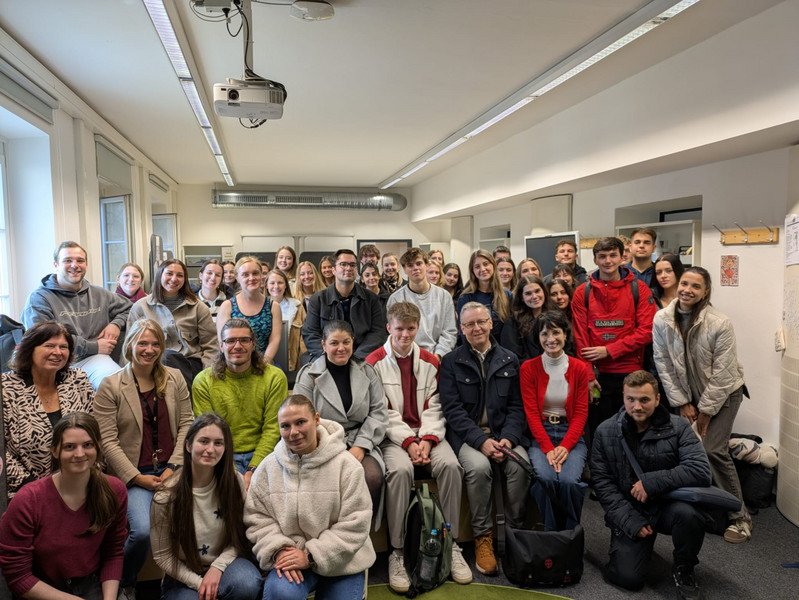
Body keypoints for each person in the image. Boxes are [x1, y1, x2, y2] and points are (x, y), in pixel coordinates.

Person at [366, 302, 472, 592]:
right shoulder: (373, 362)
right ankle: (397, 552)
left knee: (451, 466)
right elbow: (381, 411)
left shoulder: (430, 361)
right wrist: (410, 442)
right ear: (389, 327)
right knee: (399, 472)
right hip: (394, 437)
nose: (405, 335)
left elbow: (437, 406)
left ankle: (450, 544)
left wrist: (425, 439)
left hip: (429, 434)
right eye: (399, 328)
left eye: (411, 329)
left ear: (418, 328)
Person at [93, 318, 193, 597]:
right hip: (134, 474)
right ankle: (124, 582)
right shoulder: (111, 386)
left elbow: (187, 424)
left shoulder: (174, 379)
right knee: (143, 532)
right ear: (130, 345)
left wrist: (174, 466)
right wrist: (137, 478)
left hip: (174, 469)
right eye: (142, 343)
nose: (149, 349)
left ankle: (185, 582)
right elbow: (107, 442)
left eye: (155, 343)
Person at [591, 371, 713, 598]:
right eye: (631, 399)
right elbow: (603, 485)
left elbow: (700, 470)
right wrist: (630, 521)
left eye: (644, 400)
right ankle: (634, 549)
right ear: (623, 398)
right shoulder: (605, 431)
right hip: (630, 509)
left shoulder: (678, 427)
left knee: (689, 514)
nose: (637, 406)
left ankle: (684, 567)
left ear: (657, 399)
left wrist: (650, 482)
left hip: (668, 506)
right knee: (628, 579)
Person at [652, 266, 751, 543]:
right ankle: (707, 505)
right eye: (684, 283)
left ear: (705, 291)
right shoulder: (662, 318)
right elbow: (663, 362)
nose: (687, 290)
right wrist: (682, 403)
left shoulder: (719, 323)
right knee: (687, 451)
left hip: (724, 394)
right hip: (686, 396)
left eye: (696, 286)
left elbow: (724, 373)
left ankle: (739, 517)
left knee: (712, 450)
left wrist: (705, 410)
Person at [245, 395, 375, 600]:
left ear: (316, 419)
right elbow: (257, 518)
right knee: (281, 594)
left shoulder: (347, 466)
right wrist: (279, 550)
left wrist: (310, 555)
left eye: (300, 422)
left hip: (342, 562)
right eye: (285, 426)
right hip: (290, 558)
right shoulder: (268, 468)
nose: (293, 432)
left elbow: (356, 522)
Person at [439, 302, 531, 576]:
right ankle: (483, 537)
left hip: (505, 437)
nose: (476, 328)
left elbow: (517, 407)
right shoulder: (450, 361)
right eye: (469, 324)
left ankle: (515, 533)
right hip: (469, 438)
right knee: (478, 468)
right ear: (461, 328)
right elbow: (452, 410)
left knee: (521, 466)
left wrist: (510, 439)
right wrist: (481, 441)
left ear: (491, 323)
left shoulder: (510, 359)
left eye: (481, 322)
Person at [0, 411, 128, 600]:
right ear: (55, 450)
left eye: (87, 445)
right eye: (69, 446)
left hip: (93, 584)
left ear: (98, 447)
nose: (79, 453)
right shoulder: (28, 500)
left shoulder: (114, 490)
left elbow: (113, 553)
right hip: (43, 589)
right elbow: (18, 577)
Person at [150, 414, 263, 600]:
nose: (210, 449)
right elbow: (163, 556)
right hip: (183, 574)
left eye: (218, 443)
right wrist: (199, 583)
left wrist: (217, 568)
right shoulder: (166, 496)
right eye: (204, 441)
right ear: (188, 445)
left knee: (246, 583)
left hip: (227, 564)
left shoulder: (234, 481)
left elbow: (241, 535)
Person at [571, 237, 657, 452]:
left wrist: (609, 350)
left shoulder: (640, 289)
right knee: (600, 432)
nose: (608, 261)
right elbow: (581, 337)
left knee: (632, 431)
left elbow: (647, 332)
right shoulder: (583, 292)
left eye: (612, 255)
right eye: (602, 256)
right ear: (595, 259)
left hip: (631, 374)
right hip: (598, 377)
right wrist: (588, 376)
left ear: (622, 257)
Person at [294, 320, 388, 510]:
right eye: (334, 343)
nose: (341, 348)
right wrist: (328, 447)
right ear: (323, 345)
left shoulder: (367, 372)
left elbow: (378, 411)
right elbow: (301, 417)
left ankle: (363, 531)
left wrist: (361, 446)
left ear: (353, 342)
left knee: (372, 477)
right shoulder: (309, 375)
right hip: (322, 442)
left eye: (346, 342)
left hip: (360, 439)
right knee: (328, 480)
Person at [193, 318, 288, 488]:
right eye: (230, 341)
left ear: (253, 344)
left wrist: (253, 468)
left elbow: (273, 429)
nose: (237, 346)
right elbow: (208, 433)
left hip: (267, 454)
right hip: (221, 455)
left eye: (244, 340)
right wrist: (232, 472)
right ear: (221, 346)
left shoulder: (274, 377)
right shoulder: (203, 381)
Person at [2, 321, 94, 497]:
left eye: (63, 347)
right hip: (26, 490)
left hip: (80, 482)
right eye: (49, 346)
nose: (58, 352)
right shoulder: (5, 388)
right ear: (30, 349)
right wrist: (35, 489)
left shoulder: (78, 379)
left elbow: (95, 431)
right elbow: (3, 453)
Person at [22, 241, 130, 388]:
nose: (75, 265)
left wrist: (116, 324)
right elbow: (46, 339)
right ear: (56, 265)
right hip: (54, 363)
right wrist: (95, 346)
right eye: (68, 260)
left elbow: (131, 308)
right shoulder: (39, 299)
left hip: (93, 360)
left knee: (120, 385)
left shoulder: (100, 294)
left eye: (80, 260)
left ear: (86, 264)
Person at [520, 311, 591, 531]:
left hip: (571, 434)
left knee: (569, 482)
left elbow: (580, 413)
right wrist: (548, 448)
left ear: (565, 334)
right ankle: (552, 535)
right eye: (544, 333)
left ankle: (571, 533)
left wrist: (565, 446)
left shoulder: (579, 368)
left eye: (556, 332)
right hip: (541, 436)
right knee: (546, 480)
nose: (551, 339)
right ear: (538, 338)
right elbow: (531, 414)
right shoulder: (528, 368)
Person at [128, 259, 217, 388]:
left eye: (180, 275)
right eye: (169, 273)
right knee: (166, 356)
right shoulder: (140, 307)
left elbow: (211, 345)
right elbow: (130, 346)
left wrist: (207, 374)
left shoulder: (198, 307)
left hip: (190, 364)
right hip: (150, 365)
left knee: (168, 358)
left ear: (185, 279)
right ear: (160, 275)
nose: (174, 279)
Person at [302, 249, 387, 362]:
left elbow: (378, 332)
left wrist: (356, 357)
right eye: (343, 264)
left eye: (352, 265)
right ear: (333, 270)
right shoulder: (318, 300)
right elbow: (310, 334)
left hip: (362, 357)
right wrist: (331, 356)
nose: (348, 268)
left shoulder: (372, 299)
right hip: (328, 356)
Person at [387, 247, 457, 360]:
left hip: (437, 358)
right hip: (406, 357)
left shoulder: (444, 296)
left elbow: (449, 332)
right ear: (404, 269)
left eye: (419, 263)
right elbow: (395, 333)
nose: (415, 268)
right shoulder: (396, 299)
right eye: (410, 265)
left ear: (427, 265)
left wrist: (438, 355)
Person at [216, 255, 282, 364]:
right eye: (245, 274)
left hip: (264, 363)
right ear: (237, 277)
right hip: (233, 363)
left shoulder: (273, 306)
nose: (251, 278)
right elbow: (223, 342)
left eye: (255, 273)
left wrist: (262, 365)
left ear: (261, 275)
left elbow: (274, 341)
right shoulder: (227, 306)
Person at [456, 249, 511, 342]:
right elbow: (463, 333)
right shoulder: (465, 298)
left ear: (493, 265)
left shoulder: (507, 295)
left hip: (502, 351)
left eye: (486, 264)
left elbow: (511, 331)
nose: (482, 269)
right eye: (477, 266)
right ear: (473, 271)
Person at [501, 275, 554, 361]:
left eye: (537, 291)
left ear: (543, 291)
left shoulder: (556, 316)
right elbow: (512, 354)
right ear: (522, 297)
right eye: (528, 293)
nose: (534, 296)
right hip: (527, 370)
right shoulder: (513, 321)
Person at [266, 269, 306, 371]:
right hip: (264, 363)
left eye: (280, 282)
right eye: (272, 283)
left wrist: (303, 365)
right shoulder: (258, 307)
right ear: (266, 285)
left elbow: (304, 339)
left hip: (291, 363)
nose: (276, 286)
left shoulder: (297, 306)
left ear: (285, 286)